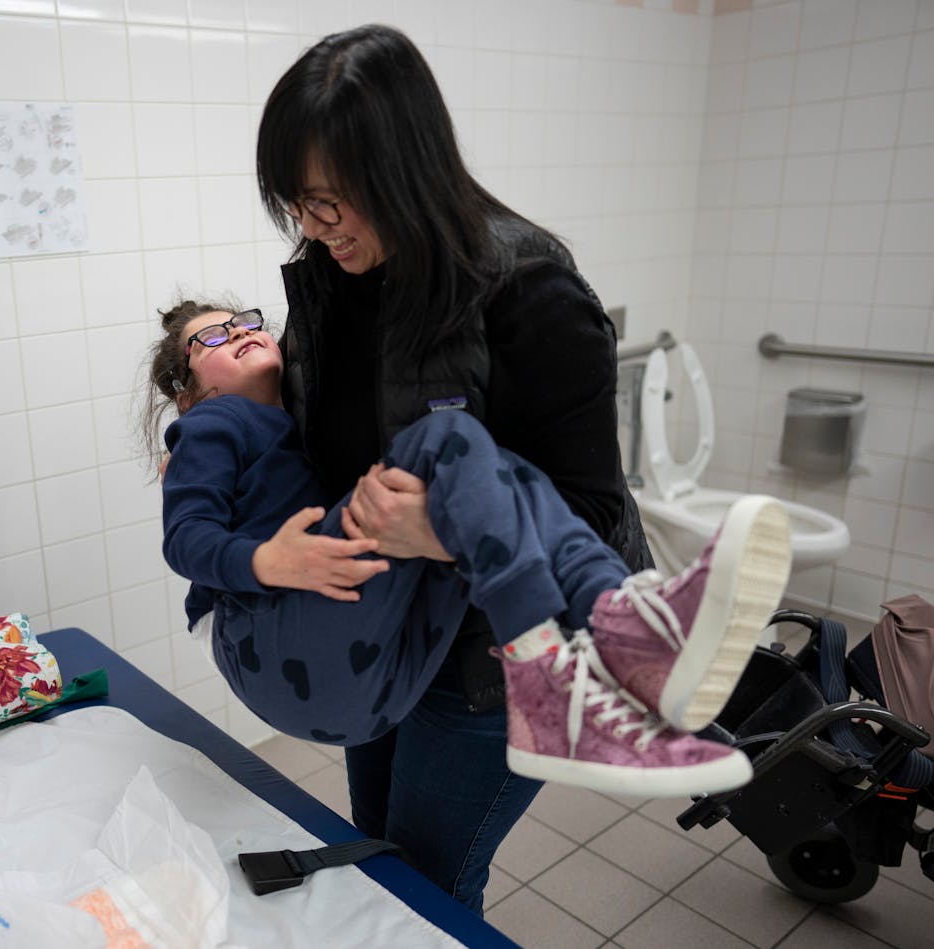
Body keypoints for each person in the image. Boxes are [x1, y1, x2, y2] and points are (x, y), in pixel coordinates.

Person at [246, 23, 671, 910]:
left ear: (400, 168)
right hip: (388, 634)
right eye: (297, 204)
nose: (314, 229)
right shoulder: (328, 283)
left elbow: (590, 511)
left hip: (503, 651)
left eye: (330, 202)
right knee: (382, 861)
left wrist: (439, 530)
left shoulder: (528, 291)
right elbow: (323, 452)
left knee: (430, 884)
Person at [143, 299, 791, 801]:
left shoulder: (293, 416)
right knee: (447, 437)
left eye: (245, 320)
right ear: (188, 390)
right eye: (215, 337)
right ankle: (606, 625)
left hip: (334, 666)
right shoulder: (210, 423)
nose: (243, 331)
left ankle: (624, 634)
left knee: (493, 482)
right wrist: (266, 561)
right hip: (267, 637)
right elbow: (186, 538)